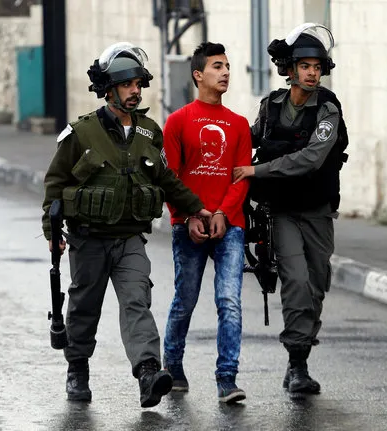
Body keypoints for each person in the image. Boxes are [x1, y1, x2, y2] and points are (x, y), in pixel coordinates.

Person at [41, 42, 211, 407]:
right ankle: (78, 368)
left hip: (129, 239)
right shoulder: (81, 134)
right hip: (89, 239)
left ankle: (149, 373)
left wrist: (197, 209)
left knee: (137, 301)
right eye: (128, 85)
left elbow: (166, 179)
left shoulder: (150, 132)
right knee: (84, 306)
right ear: (109, 90)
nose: (136, 90)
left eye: (139, 84)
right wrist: (52, 234)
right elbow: (55, 185)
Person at [233, 23, 349, 395]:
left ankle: (298, 359)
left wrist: (259, 169)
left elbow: (312, 159)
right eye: (305, 66)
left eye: (317, 66)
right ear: (290, 69)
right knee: (296, 281)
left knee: (316, 285)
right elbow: (244, 141)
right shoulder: (271, 107)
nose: (312, 72)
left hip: (317, 210)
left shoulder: (328, 109)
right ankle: (298, 362)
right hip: (281, 211)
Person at [162, 42, 252, 403]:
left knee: (229, 300)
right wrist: (187, 217)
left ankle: (226, 379)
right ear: (199, 74)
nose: (226, 72)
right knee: (185, 299)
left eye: (228, 66)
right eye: (218, 66)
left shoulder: (239, 124)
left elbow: (241, 177)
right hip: (190, 226)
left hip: (229, 224)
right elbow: (169, 176)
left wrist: (220, 214)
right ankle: (174, 365)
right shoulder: (178, 121)